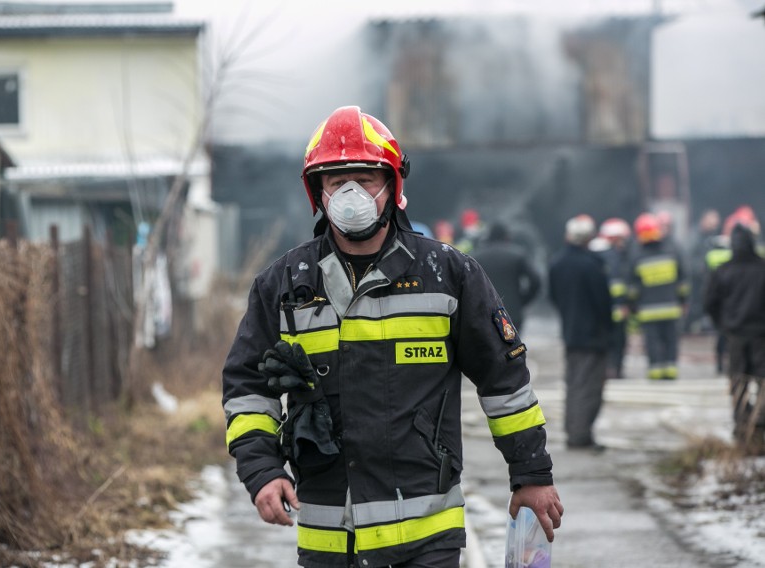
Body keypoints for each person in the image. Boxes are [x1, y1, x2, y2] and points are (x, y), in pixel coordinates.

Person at [221, 106, 563, 568]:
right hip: (328, 540)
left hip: (427, 536)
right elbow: (247, 391)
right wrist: (261, 470)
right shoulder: (281, 286)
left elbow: (505, 384)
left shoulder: (449, 275)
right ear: (317, 192)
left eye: (364, 179)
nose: (350, 194)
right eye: (335, 181)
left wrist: (531, 474)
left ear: (392, 185)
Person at [548, 214, 613, 452]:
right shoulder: (592, 265)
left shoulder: (557, 262)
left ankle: (574, 430)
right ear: (589, 238)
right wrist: (609, 330)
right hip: (593, 336)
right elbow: (603, 302)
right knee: (589, 386)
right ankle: (581, 435)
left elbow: (553, 296)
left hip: (570, 332)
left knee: (574, 384)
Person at [704, 222, 765, 451]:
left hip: (735, 336)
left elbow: (709, 303)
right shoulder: (762, 268)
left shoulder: (723, 271)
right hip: (761, 336)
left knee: (738, 381)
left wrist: (724, 326)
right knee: (763, 380)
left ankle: (742, 428)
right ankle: (760, 424)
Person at [629, 212, 690, 380]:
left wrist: (633, 305)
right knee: (671, 339)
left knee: (652, 341)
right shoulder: (672, 250)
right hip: (671, 307)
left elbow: (632, 286)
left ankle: (655, 371)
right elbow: (683, 280)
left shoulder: (637, 254)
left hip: (648, 311)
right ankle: (670, 370)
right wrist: (684, 301)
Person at [472, 221, 541, 332]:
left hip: (485, 313)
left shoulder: (476, 257)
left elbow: (468, 285)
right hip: (512, 313)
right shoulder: (518, 255)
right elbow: (536, 281)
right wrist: (522, 300)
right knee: (513, 347)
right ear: (506, 236)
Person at [590, 217, 633, 379]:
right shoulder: (613, 256)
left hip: (596, 311)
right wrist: (623, 303)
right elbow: (618, 284)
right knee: (617, 341)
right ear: (614, 238)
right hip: (616, 309)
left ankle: (603, 369)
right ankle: (614, 369)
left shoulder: (591, 252)